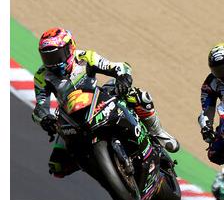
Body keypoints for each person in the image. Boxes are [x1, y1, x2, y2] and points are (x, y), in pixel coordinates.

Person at [33, 27, 179, 177]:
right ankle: (102, 169)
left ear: (70, 47)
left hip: (98, 99)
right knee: (57, 166)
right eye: (48, 58)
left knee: (140, 97)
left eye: (57, 55)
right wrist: (45, 119)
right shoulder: (42, 76)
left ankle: (158, 132)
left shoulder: (85, 58)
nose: (53, 63)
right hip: (70, 117)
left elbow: (119, 67)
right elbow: (40, 108)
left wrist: (123, 78)